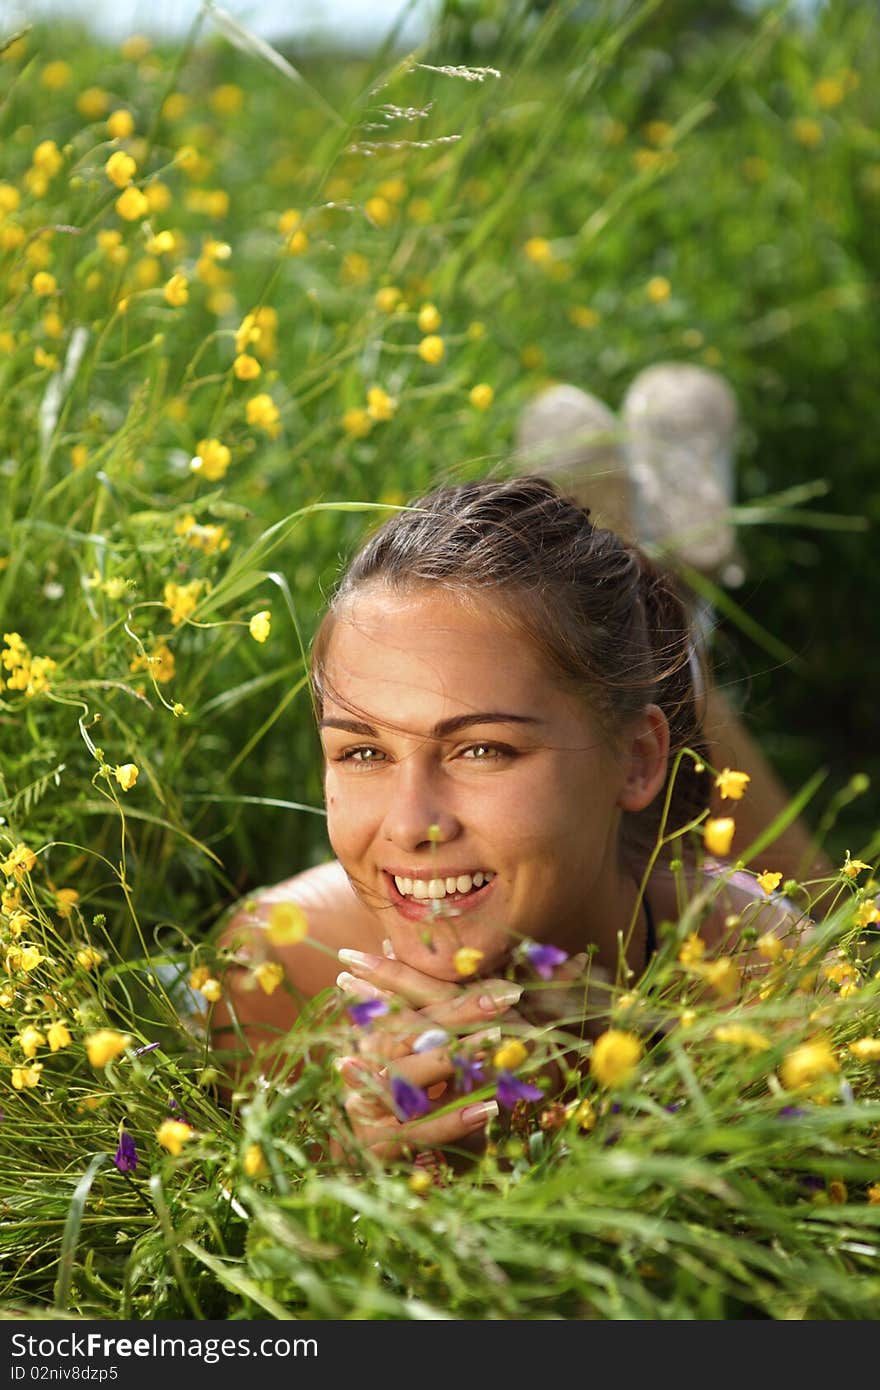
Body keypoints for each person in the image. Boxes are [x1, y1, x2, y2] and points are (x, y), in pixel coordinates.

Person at [212, 471, 815, 1163]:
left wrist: (548, 1129)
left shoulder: (765, 976)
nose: (410, 826)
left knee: (832, 908)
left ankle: (681, 607)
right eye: (363, 751)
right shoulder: (273, 969)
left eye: (482, 749)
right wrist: (361, 1170)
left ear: (637, 759)